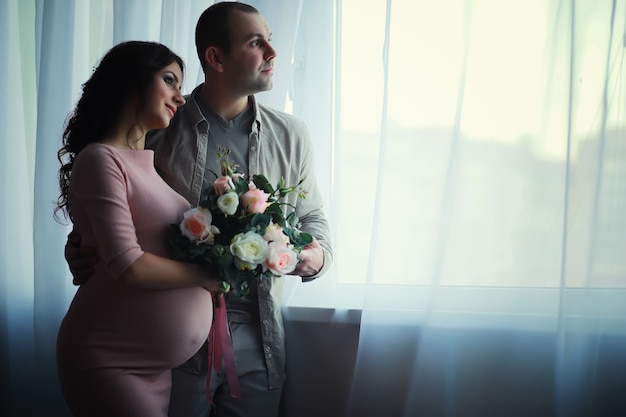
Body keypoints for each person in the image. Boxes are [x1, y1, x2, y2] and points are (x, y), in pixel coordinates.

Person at [65, 3, 333, 417]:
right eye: (255, 42)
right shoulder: (159, 123)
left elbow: (312, 217)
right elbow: (112, 204)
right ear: (216, 57)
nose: (272, 54)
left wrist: (314, 257)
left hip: (260, 340)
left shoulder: (292, 135)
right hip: (168, 350)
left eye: (270, 42)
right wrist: (78, 244)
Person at [55, 41, 220, 417]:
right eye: (170, 81)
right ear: (131, 80)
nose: (180, 98)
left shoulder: (148, 166)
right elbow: (128, 265)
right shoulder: (100, 159)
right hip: (109, 359)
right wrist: (208, 276)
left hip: (154, 367)